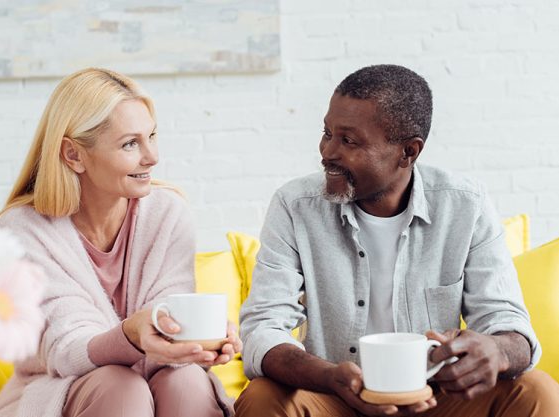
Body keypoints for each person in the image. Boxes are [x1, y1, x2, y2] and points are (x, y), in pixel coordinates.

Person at [235, 64, 559, 417]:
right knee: (263, 396)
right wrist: (329, 378)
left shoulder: (466, 204)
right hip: (334, 396)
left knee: (537, 390)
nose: (328, 152)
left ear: (408, 152)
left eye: (349, 140)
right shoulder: (295, 206)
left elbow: (507, 321)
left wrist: (495, 352)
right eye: (327, 133)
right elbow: (263, 326)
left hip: (436, 399)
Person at [0, 68, 241, 417]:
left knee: (187, 382)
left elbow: (168, 322)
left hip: (155, 381)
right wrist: (134, 334)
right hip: (59, 387)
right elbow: (66, 348)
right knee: (121, 386)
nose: (152, 157)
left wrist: (196, 343)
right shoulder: (23, 229)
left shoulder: (167, 212)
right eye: (130, 143)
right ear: (73, 155)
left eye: (152, 136)